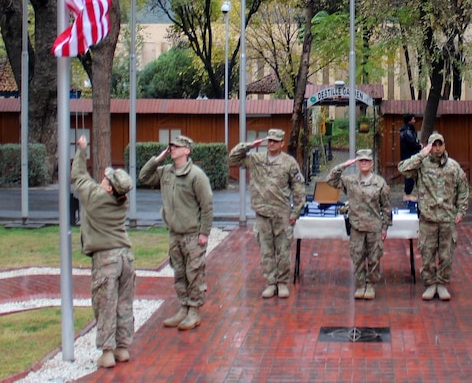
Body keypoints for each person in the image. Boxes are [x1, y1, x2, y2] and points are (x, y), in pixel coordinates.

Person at [71, 135, 136, 369]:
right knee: (123, 304)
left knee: (105, 305)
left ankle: (107, 353)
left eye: (105, 179)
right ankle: (123, 348)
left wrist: (82, 150)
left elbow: (78, 176)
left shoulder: (97, 198)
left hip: (106, 260)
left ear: (109, 187)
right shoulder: (122, 201)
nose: (101, 180)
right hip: (126, 258)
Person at [138, 134, 214, 331]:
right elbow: (143, 177)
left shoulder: (196, 175)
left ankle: (194, 311)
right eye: (171, 146)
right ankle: (183, 307)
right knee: (179, 273)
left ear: (187, 150)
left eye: (177, 146)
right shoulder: (166, 172)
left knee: (194, 273)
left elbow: (207, 205)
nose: (172, 148)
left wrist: (204, 232)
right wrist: (157, 159)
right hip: (175, 234)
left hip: (192, 234)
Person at [228, 127, 305, 299]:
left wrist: (295, 213)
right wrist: (248, 145)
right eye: (269, 140)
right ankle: (271, 283)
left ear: (282, 143)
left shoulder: (289, 162)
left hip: (282, 214)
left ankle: (282, 283)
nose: (271, 143)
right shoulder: (256, 159)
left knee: (283, 250)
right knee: (266, 251)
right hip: (262, 213)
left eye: (275, 141)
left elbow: (298, 188)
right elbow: (233, 158)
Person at [398, 131, 469, 302]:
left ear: (444, 146)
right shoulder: (421, 165)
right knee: (427, 253)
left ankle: (442, 283)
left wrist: (460, 211)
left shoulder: (453, 167)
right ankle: (430, 284)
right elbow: (402, 168)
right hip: (428, 219)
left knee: (446, 254)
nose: (437, 149)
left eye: (440, 145)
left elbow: (463, 190)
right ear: (429, 147)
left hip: (447, 219)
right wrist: (421, 154)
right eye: (433, 145)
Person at [327, 148, 392, 300]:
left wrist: (385, 227)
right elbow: (331, 180)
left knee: (374, 258)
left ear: (372, 163)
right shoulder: (350, 181)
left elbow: (386, 207)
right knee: (357, 257)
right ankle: (360, 284)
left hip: (374, 227)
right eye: (361, 161)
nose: (364, 163)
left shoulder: (379, 183)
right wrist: (343, 166)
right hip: (356, 227)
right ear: (357, 163)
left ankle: (370, 285)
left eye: (367, 161)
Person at [399, 113, 421, 201]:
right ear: (409, 121)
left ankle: (408, 194)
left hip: (409, 156)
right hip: (409, 157)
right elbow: (412, 143)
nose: (414, 121)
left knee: (411, 176)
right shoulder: (407, 132)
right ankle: (407, 195)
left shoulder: (408, 130)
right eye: (413, 119)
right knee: (410, 175)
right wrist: (419, 146)